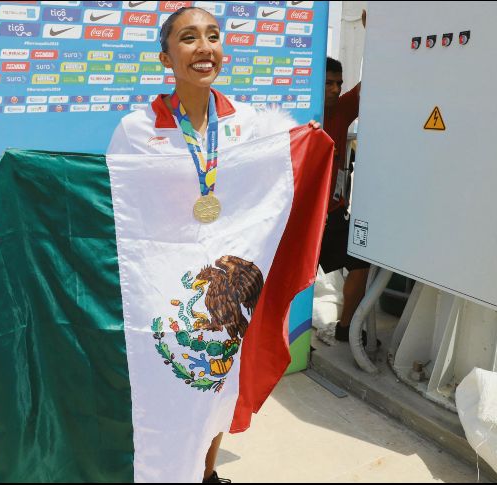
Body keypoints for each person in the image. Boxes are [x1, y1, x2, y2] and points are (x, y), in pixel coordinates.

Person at [108, 7, 322, 482]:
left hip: (227, 283)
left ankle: (205, 473)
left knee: (216, 384)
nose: (204, 48)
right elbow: (116, 207)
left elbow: (274, 191)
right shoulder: (137, 130)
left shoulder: (250, 125)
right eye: (188, 38)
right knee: (168, 386)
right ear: (166, 57)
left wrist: (309, 146)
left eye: (212, 36)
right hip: (162, 282)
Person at [319, 55, 371, 343]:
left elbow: (372, 78)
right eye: (328, 83)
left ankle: (346, 327)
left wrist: (377, 28)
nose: (336, 89)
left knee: (362, 265)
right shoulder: (296, 114)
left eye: (339, 83)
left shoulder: (341, 110)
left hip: (333, 215)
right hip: (300, 219)